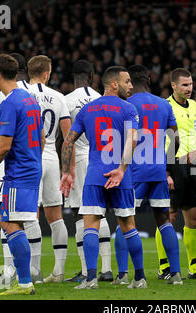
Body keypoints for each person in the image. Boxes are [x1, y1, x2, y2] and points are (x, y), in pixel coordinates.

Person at [60, 66, 145, 289]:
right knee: (128, 226)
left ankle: (90, 279)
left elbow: (68, 141)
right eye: (127, 81)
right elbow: (134, 140)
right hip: (121, 176)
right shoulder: (129, 109)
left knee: (90, 226)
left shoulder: (88, 109)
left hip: (95, 173)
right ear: (114, 84)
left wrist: (66, 173)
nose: (131, 86)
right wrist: (121, 169)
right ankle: (139, 278)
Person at [0, 53, 44, 295]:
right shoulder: (30, 99)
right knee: (17, 222)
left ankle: (25, 282)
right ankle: (26, 280)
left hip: (18, 172)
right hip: (33, 167)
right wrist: (33, 157)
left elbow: (4, 145)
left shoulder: (9, 103)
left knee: (8, 222)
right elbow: (42, 137)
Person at [111, 64, 182, 285]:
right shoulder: (164, 105)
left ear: (130, 81)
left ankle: (123, 275)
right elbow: (176, 139)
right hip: (159, 170)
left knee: (124, 221)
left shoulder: (126, 104)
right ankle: (177, 274)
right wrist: (167, 167)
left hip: (135, 171)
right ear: (149, 79)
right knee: (164, 220)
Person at [160, 68, 196, 280]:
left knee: (195, 218)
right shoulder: (165, 106)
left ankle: (194, 267)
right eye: (184, 85)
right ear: (174, 86)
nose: (189, 88)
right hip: (173, 164)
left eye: (191, 84)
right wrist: (165, 171)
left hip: (192, 166)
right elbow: (160, 140)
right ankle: (164, 267)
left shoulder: (193, 105)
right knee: (168, 217)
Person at [63, 60, 113, 283]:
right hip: (105, 159)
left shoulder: (66, 101)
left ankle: (85, 271)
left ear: (73, 77)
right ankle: (107, 268)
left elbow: (65, 139)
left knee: (80, 214)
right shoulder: (102, 99)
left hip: (80, 160)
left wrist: (67, 169)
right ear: (93, 76)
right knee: (100, 212)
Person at [27, 55, 71, 283]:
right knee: (56, 216)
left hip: (30, 158)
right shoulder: (58, 96)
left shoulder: (22, 93)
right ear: (47, 73)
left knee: (30, 215)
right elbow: (68, 135)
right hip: (52, 158)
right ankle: (59, 271)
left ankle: (34, 271)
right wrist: (68, 170)